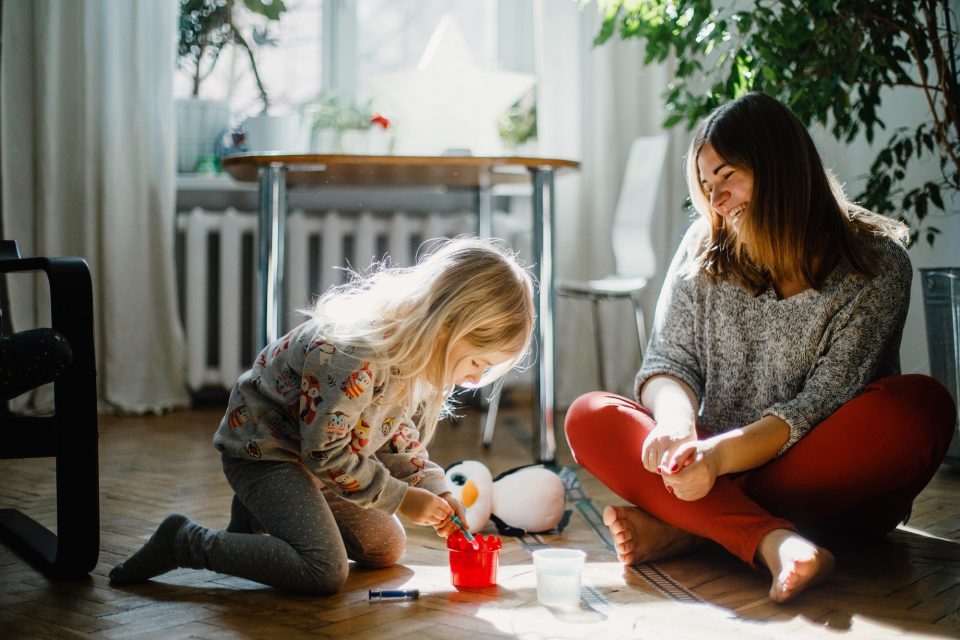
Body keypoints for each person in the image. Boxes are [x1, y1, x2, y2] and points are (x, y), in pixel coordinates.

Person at [564, 93, 956, 603]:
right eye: (706, 186)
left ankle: (694, 528)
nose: (716, 199)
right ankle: (772, 540)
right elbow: (669, 362)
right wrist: (677, 424)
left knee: (920, 408)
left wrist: (717, 458)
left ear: (781, 166)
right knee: (588, 416)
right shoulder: (703, 247)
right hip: (709, 461)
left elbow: (821, 405)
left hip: (819, 478)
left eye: (726, 175)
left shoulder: (876, 265)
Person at [110, 236, 535, 594]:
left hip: (317, 459)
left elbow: (393, 436)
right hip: (266, 451)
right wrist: (402, 499)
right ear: (448, 327)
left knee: (386, 548)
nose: (476, 378)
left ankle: (257, 514)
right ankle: (184, 541)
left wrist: (434, 488)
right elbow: (326, 454)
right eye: (479, 362)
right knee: (324, 570)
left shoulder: (412, 352)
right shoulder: (354, 353)